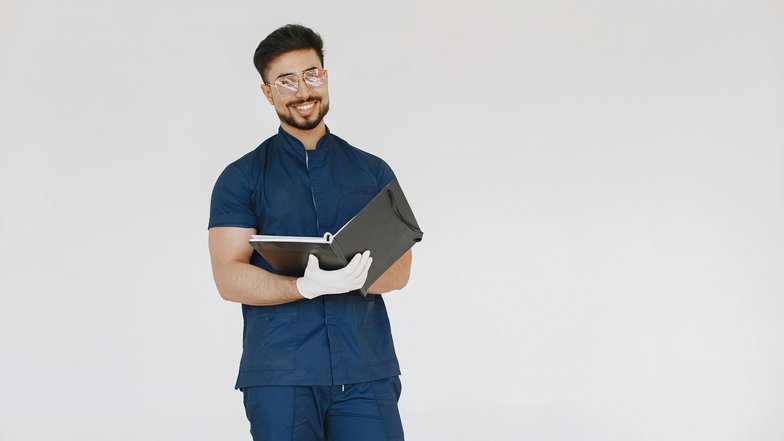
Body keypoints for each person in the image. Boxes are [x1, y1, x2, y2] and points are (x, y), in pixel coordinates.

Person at [208, 24, 412, 441]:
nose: (303, 90)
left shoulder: (372, 172)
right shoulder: (241, 177)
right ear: (268, 92)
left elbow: (401, 269)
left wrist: (350, 280)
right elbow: (228, 277)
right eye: (286, 80)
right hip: (282, 375)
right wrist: (303, 286)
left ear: (325, 74)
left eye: (311, 74)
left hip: (366, 373)